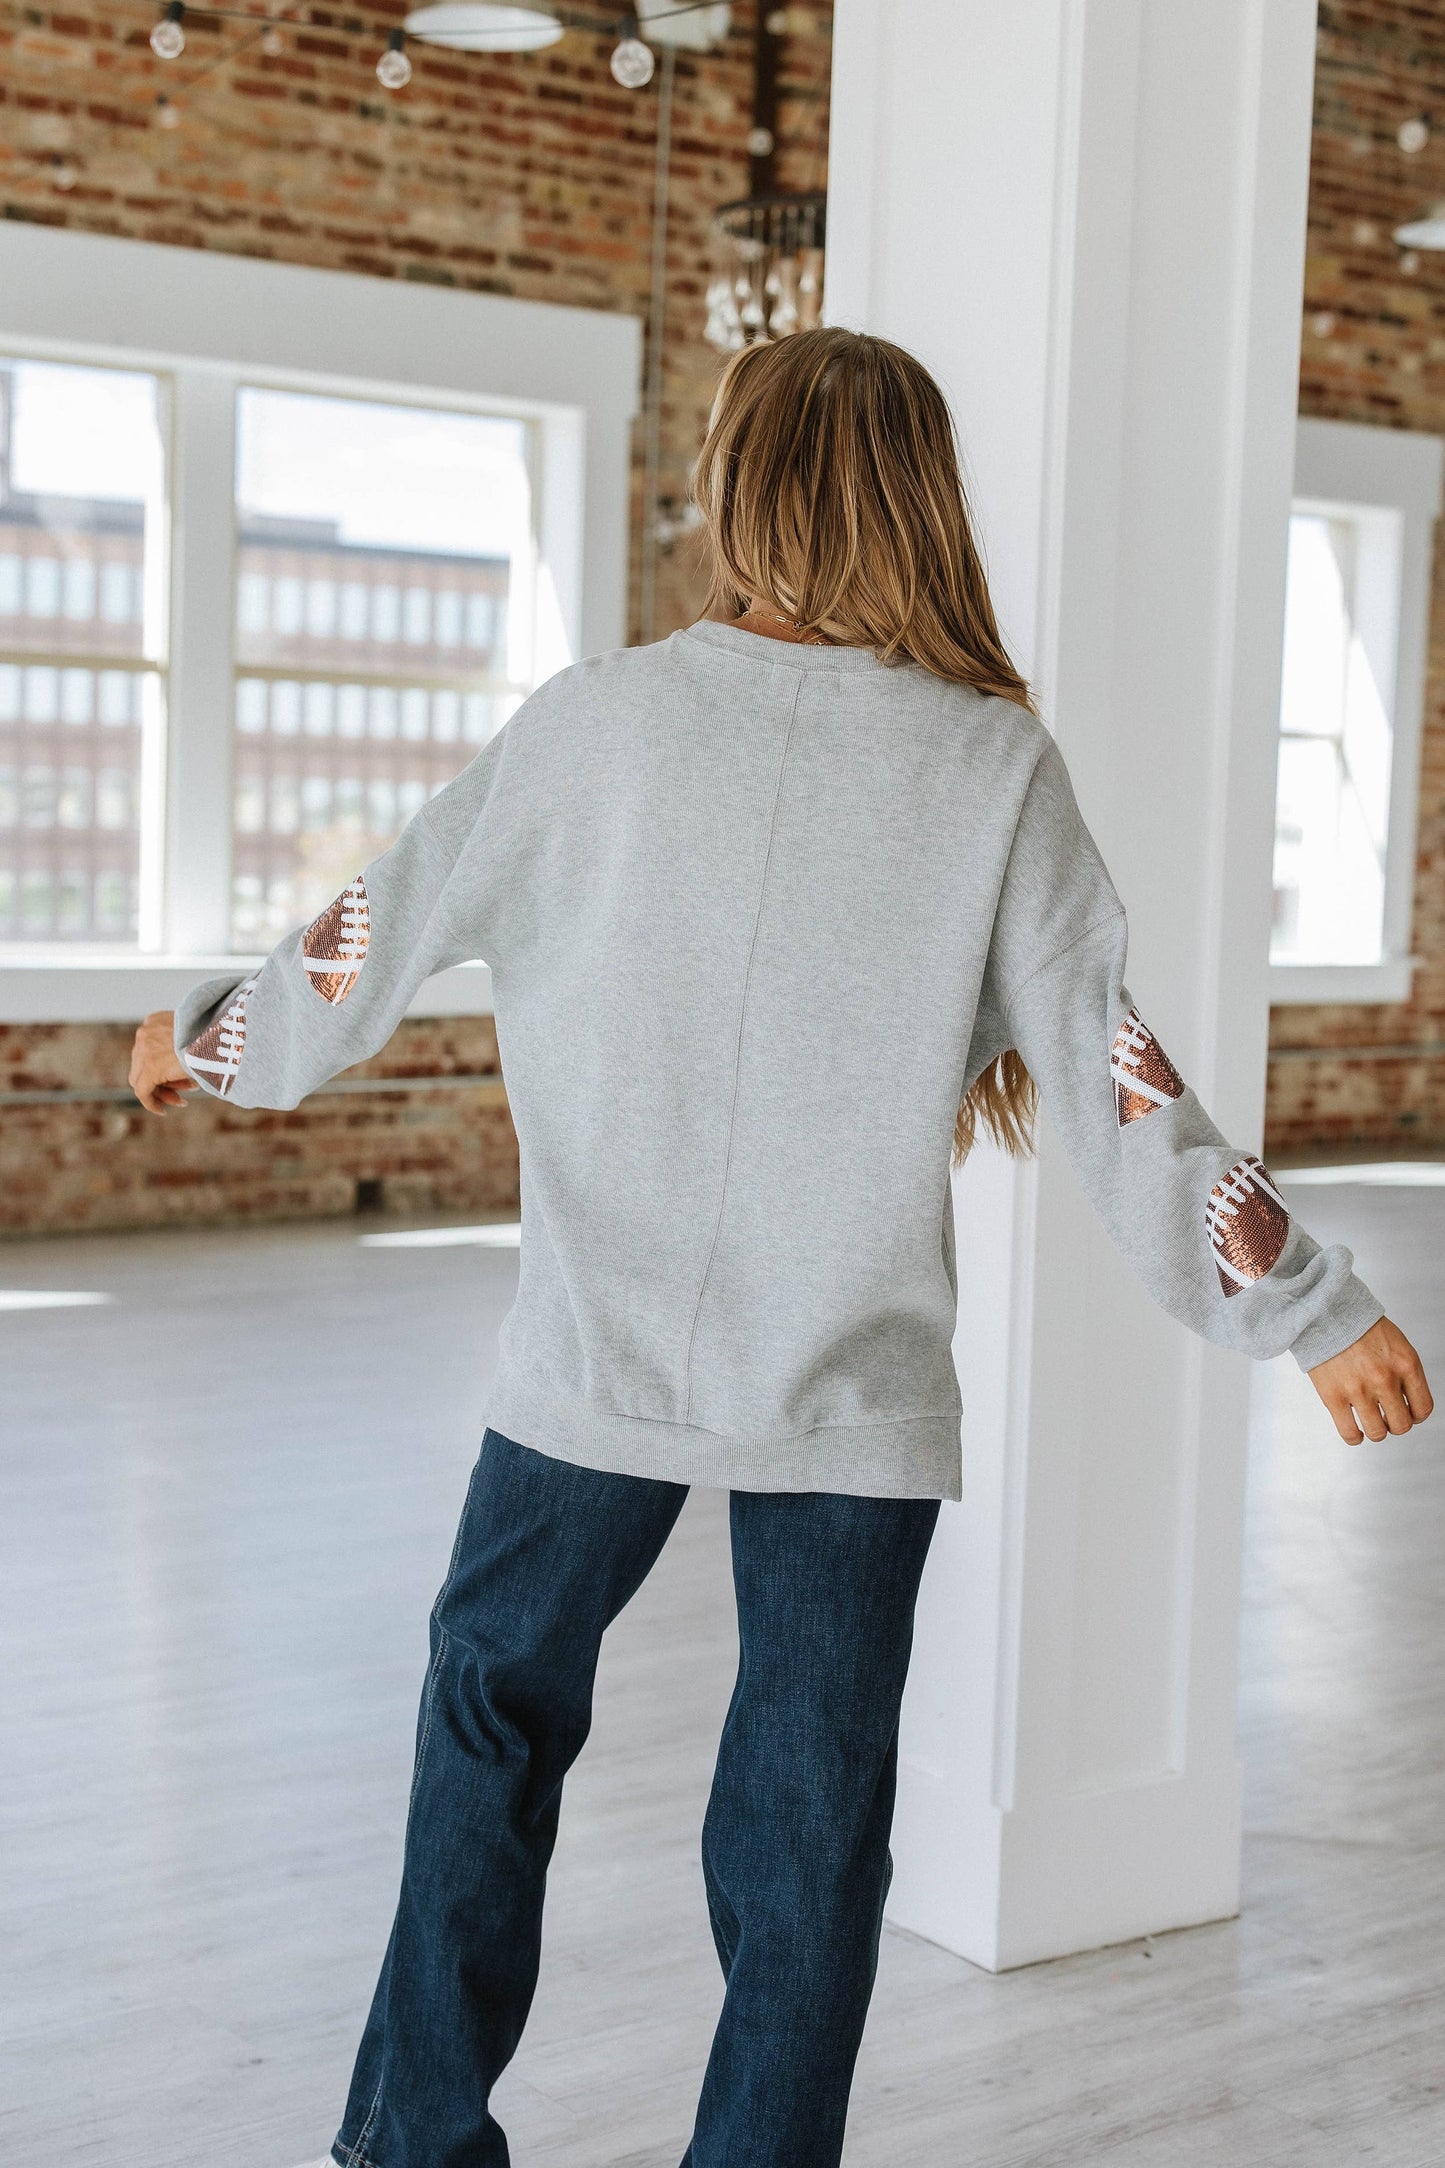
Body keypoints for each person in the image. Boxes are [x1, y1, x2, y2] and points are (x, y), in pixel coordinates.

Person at [129, 327, 1432, 2168]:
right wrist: (1312, 1311)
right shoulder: (990, 769)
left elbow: (368, 937)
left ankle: (410, 2144)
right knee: (810, 1822)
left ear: (737, 489)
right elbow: (1120, 1085)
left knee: (490, 1724)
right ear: (920, 498)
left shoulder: (594, 723)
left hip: (589, 1361)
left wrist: (198, 1041)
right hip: (848, 1387)